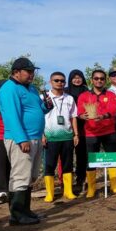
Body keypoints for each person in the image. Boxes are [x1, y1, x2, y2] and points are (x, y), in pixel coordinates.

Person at [0, 57, 50, 225]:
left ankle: (25, 211)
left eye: (33, 72)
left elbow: (37, 109)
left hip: (34, 137)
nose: (32, 75)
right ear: (16, 72)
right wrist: (22, 139)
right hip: (21, 139)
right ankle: (17, 215)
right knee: (20, 175)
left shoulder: (32, 89)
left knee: (31, 176)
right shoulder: (8, 89)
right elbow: (11, 117)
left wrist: (47, 106)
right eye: (28, 72)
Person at [78, 69, 116, 197]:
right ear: (92, 80)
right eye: (96, 78)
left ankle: (114, 186)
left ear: (105, 80)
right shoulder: (84, 95)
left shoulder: (111, 94)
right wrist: (82, 116)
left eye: (102, 78)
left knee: (113, 159)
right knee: (91, 160)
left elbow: (113, 109)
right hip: (91, 132)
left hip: (109, 131)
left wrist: (103, 116)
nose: (99, 80)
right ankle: (91, 189)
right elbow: (80, 112)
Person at [41, 72, 79, 202]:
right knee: (49, 165)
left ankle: (68, 191)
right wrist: (41, 134)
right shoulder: (43, 97)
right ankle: (50, 193)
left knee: (68, 164)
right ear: (50, 82)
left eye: (62, 81)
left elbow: (73, 117)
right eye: (56, 80)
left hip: (67, 137)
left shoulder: (69, 98)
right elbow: (38, 117)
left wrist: (76, 134)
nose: (59, 83)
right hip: (50, 137)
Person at [66, 69, 89, 193]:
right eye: (74, 77)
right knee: (67, 156)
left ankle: (81, 179)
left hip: (85, 127)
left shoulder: (87, 91)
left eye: (79, 77)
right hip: (67, 127)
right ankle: (66, 183)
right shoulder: (65, 91)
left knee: (82, 154)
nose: (77, 79)